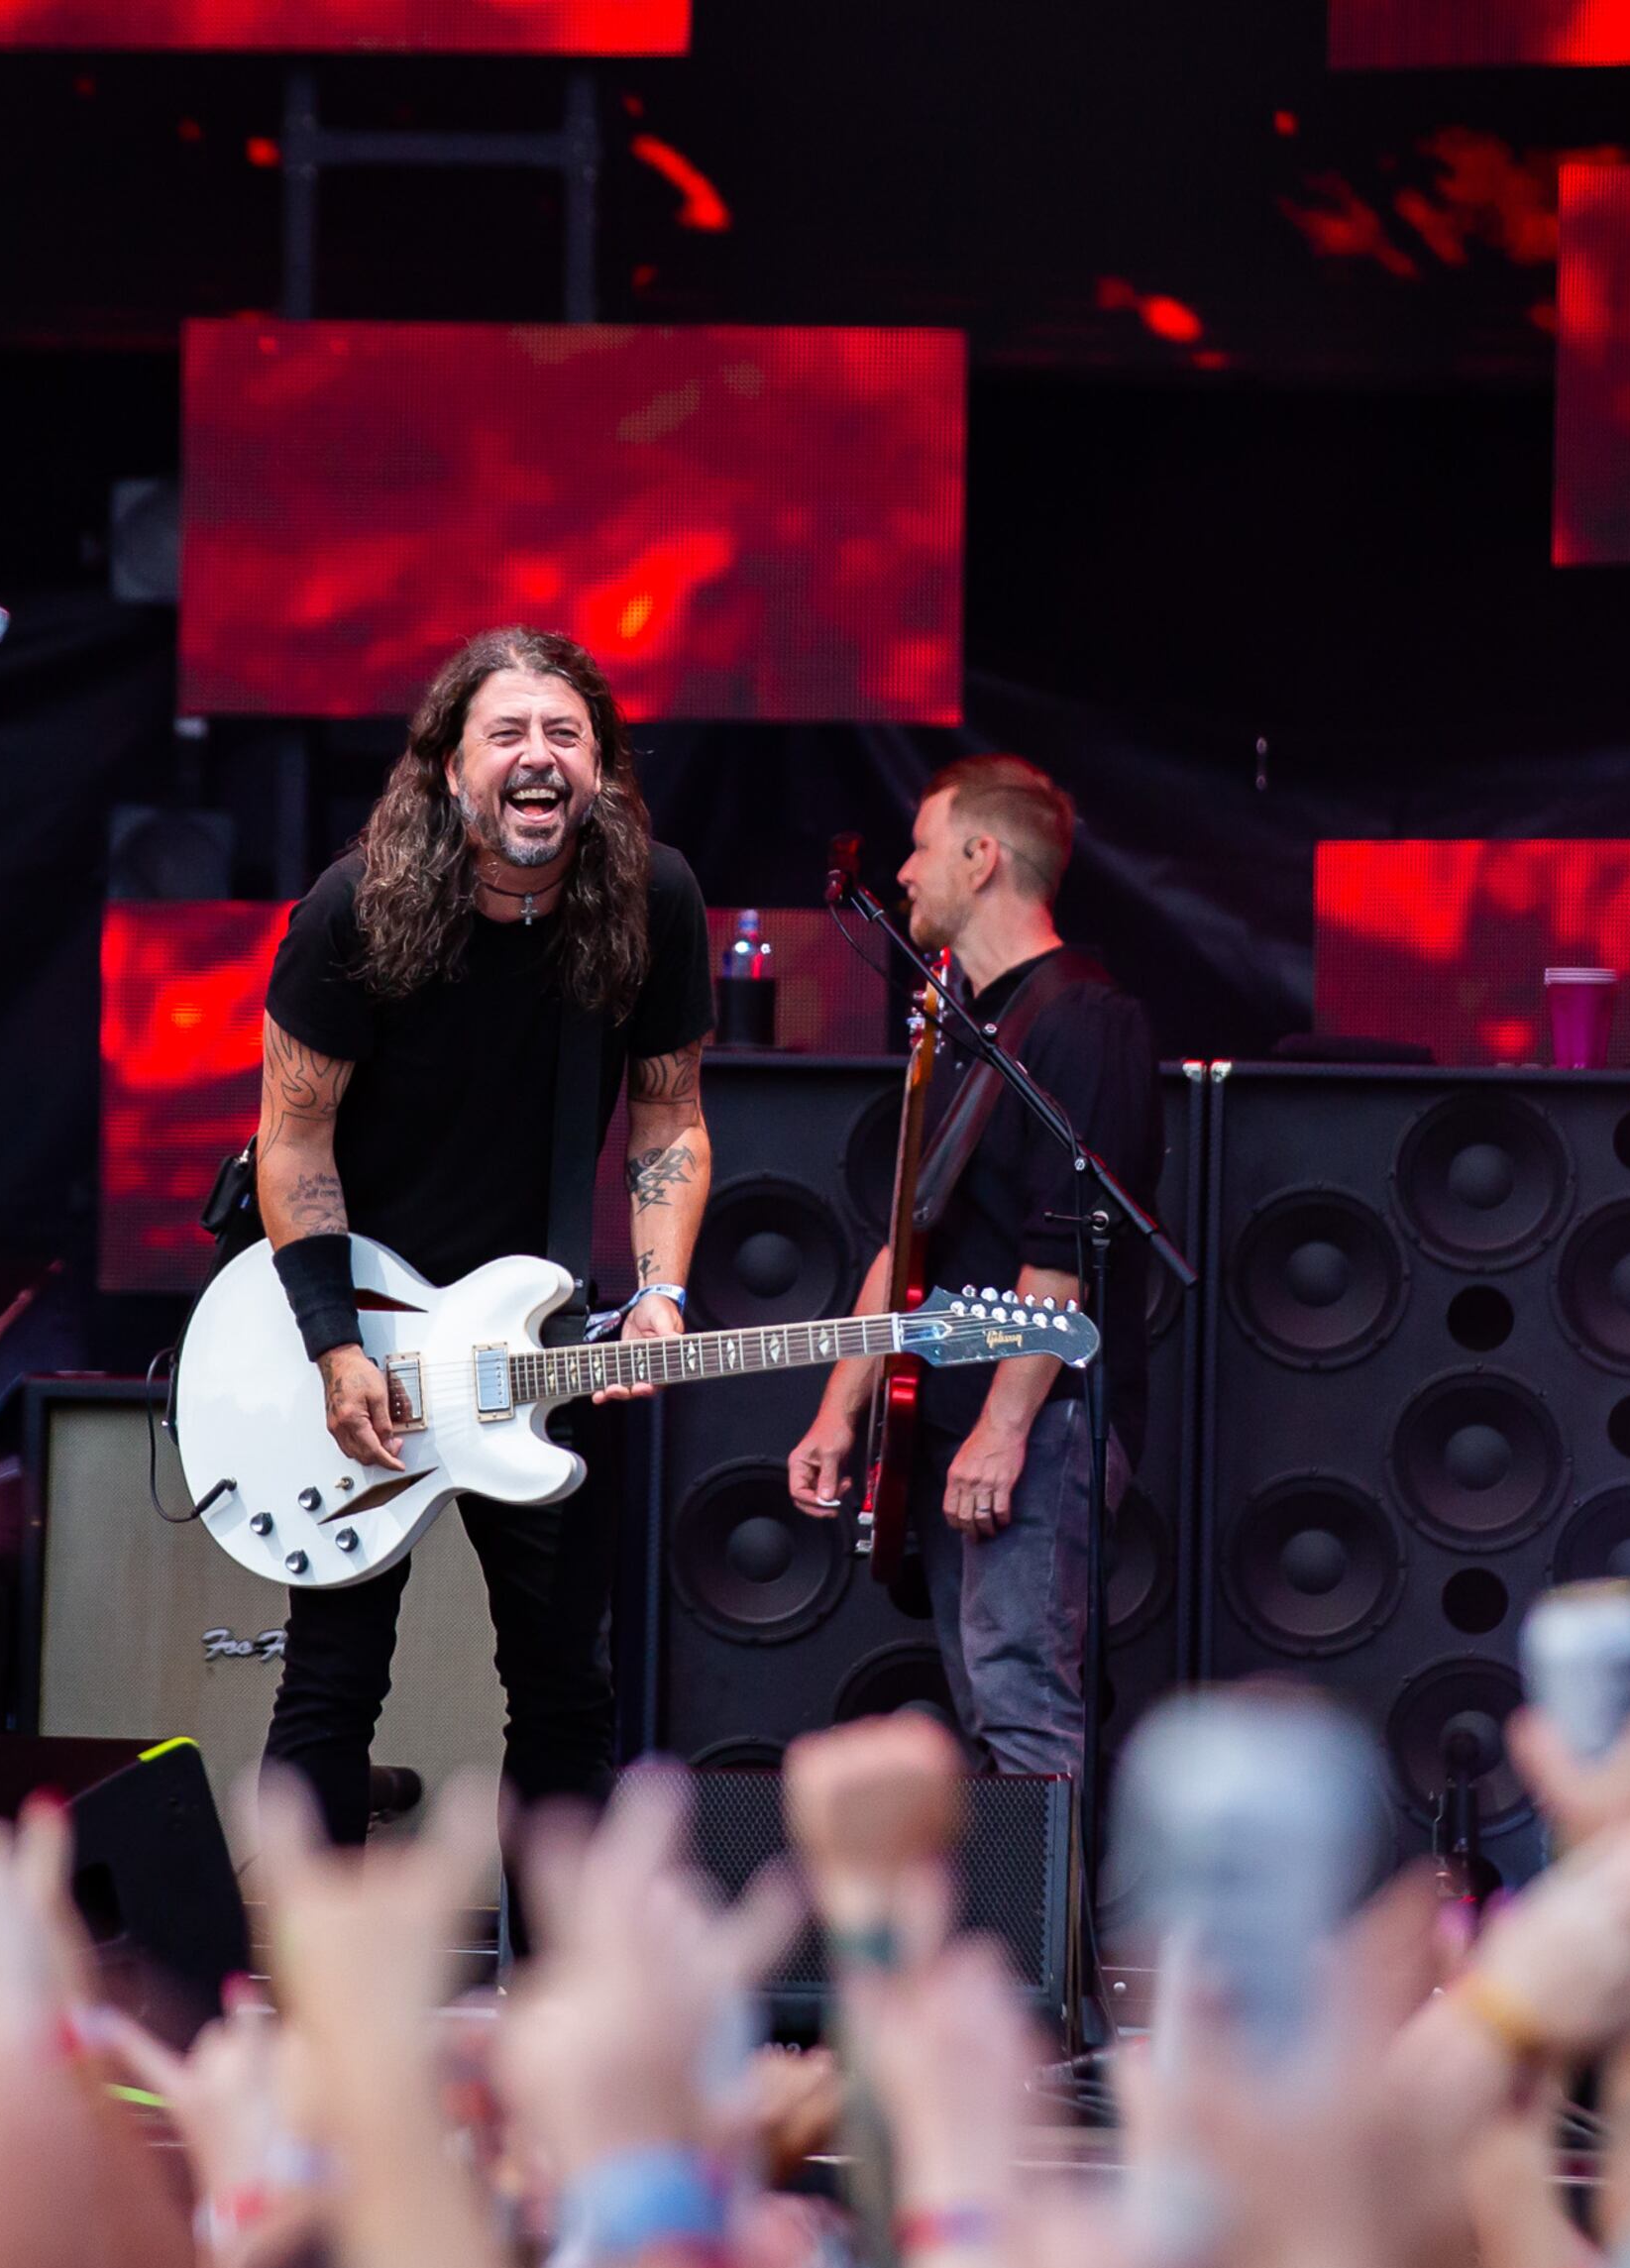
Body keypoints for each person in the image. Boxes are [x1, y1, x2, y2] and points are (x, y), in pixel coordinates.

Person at [252, 625, 713, 1848]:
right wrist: (334, 1345)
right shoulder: (352, 909)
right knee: (334, 1679)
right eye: (507, 732)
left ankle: (561, 2009)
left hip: (539, 1343)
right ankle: (309, 1996)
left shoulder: (652, 899)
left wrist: (660, 1294)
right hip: (368, 1340)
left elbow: (669, 1114)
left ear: (603, 768)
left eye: (566, 733)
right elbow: (293, 1145)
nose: (538, 756)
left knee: (567, 1688)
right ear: (449, 765)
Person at [783, 755, 1154, 1780]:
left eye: (922, 846)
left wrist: (1002, 1430)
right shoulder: (961, 1029)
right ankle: (1018, 1940)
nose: (902, 873)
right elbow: (906, 1236)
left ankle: (1047, 1946)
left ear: (983, 858)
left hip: (1039, 1422)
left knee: (1025, 1706)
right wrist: (838, 1411)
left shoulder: (1081, 1021)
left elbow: (1063, 1252)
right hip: (957, 1427)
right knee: (989, 1707)